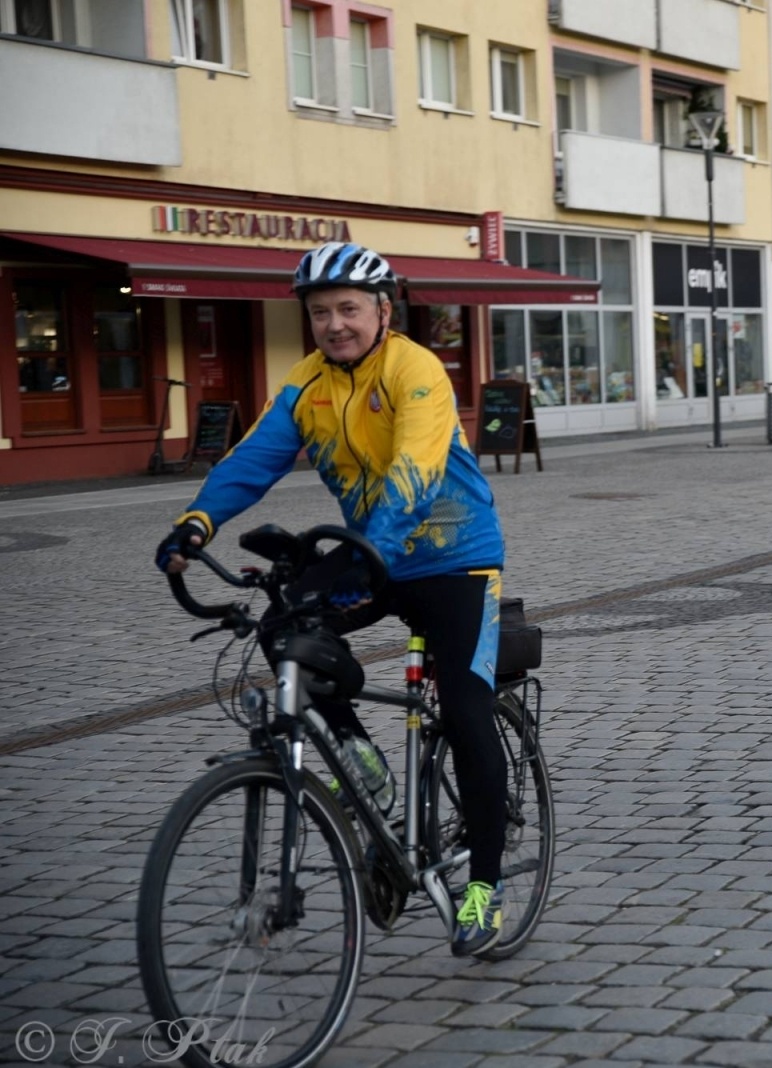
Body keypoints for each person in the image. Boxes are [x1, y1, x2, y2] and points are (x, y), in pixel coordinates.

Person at [155, 241, 512, 957]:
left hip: (456, 560)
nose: (334, 324)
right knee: (283, 626)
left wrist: (368, 554)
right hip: (372, 554)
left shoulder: (415, 370)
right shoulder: (307, 384)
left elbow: (414, 471)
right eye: (320, 312)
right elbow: (252, 459)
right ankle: (360, 759)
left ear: (382, 311)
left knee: (468, 714)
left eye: (348, 308)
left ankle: (485, 886)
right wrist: (197, 523)